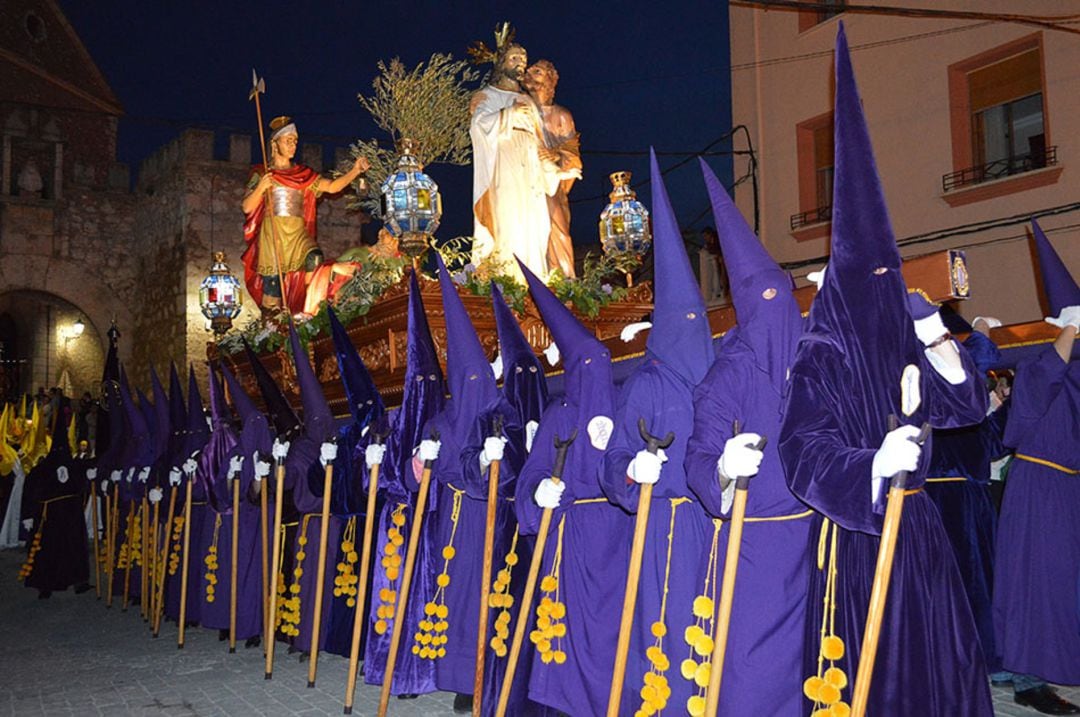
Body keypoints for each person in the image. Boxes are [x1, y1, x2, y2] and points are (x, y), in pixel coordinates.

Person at [777, 25, 992, 715]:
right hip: (859, 541)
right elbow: (801, 451)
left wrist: (932, 333)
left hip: (920, 535)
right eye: (867, 275)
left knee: (937, 672)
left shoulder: (904, 336)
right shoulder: (823, 350)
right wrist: (870, 463)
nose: (879, 288)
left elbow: (968, 405)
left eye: (886, 274)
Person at [683, 158, 810, 715]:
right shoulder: (727, 373)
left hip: (813, 539)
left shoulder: (810, 361)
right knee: (753, 670)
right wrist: (723, 471)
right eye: (764, 303)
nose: (777, 313)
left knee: (813, 664)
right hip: (753, 545)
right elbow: (698, 453)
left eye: (782, 296)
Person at [599, 152, 716, 716]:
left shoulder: (718, 375)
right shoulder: (644, 386)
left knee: (709, 626)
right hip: (661, 522)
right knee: (659, 623)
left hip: (710, 519)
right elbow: (614, 455)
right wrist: (629, 472)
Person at [514, 258, 630, 716]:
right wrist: (539, 492)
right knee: (569, 629)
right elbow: (533, 476)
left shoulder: (623, 407)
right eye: (586, 365)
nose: (595, 371)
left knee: (613, 631)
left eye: (601, 362)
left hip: (619, 537)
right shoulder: (559, 416)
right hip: (573, 535)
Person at [993, 220, 1080, 715]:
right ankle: (1026, 678)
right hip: (1039, 484)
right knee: (1035, 581)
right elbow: (1023, 414)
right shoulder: (1038, 362)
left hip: (1067, 488)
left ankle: (1034, 665)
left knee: (1061, 585)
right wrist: (1065, 335)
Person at [241, 116, 368, 315]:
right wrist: (261, 188)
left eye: (295, 141)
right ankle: (268, 330)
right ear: (275, 144)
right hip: (273, 234)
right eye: (288, 141)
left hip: (298, 233)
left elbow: (332, 187)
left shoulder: (303, 175)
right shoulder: (262, 174)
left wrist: (354, 171)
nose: (293, 146)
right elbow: (247, 207)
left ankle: (309, 306)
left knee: (314, 257)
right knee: (273, 287)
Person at [469, 26, 559, 280]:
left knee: (535, 226)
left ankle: (534, 281)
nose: (521, 64)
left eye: (524, 59)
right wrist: (508, 115)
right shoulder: (487, 95)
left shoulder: (529, 102)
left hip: (529, 172)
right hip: (504, 171)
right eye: (515, 58)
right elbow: (478, 126)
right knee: (508, 222)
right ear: (501, 62)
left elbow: (540, 140)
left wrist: (549, 163)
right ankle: (507, 280)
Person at [524, 59, 582, 279]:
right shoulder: (520, 109)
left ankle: (565, 281)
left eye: (537, 72)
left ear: (550, 79)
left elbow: (573, 155)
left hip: (552, 185)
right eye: (529, 72)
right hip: (525, 181)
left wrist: (557, 154)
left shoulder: (561, 116)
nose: (530, 75)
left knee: (557, 227)